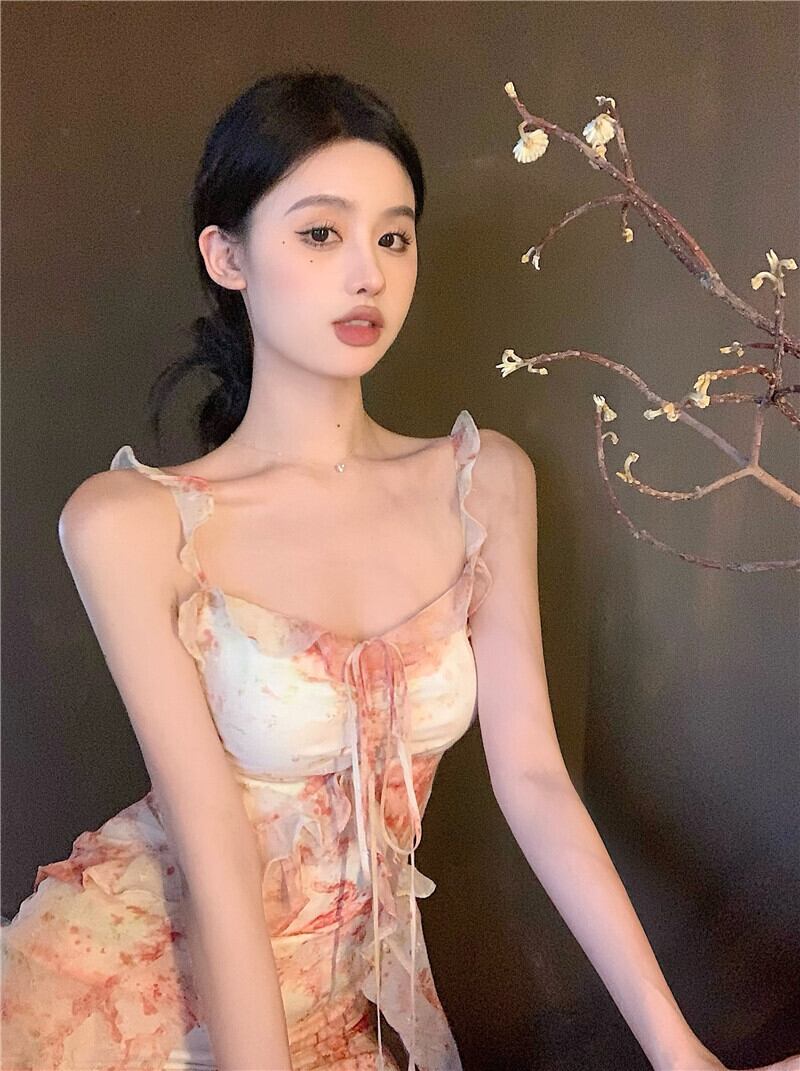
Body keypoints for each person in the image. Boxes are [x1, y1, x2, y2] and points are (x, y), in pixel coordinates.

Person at [2, 66, 795, 1071]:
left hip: (339, 1009)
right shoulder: (132, 523)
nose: (367, 274)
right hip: (125, 998)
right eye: (320, 233)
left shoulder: (481, 482)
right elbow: (212, 850)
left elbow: (536, 781)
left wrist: (678, 1052)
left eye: (392, 236)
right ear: (227, 255)